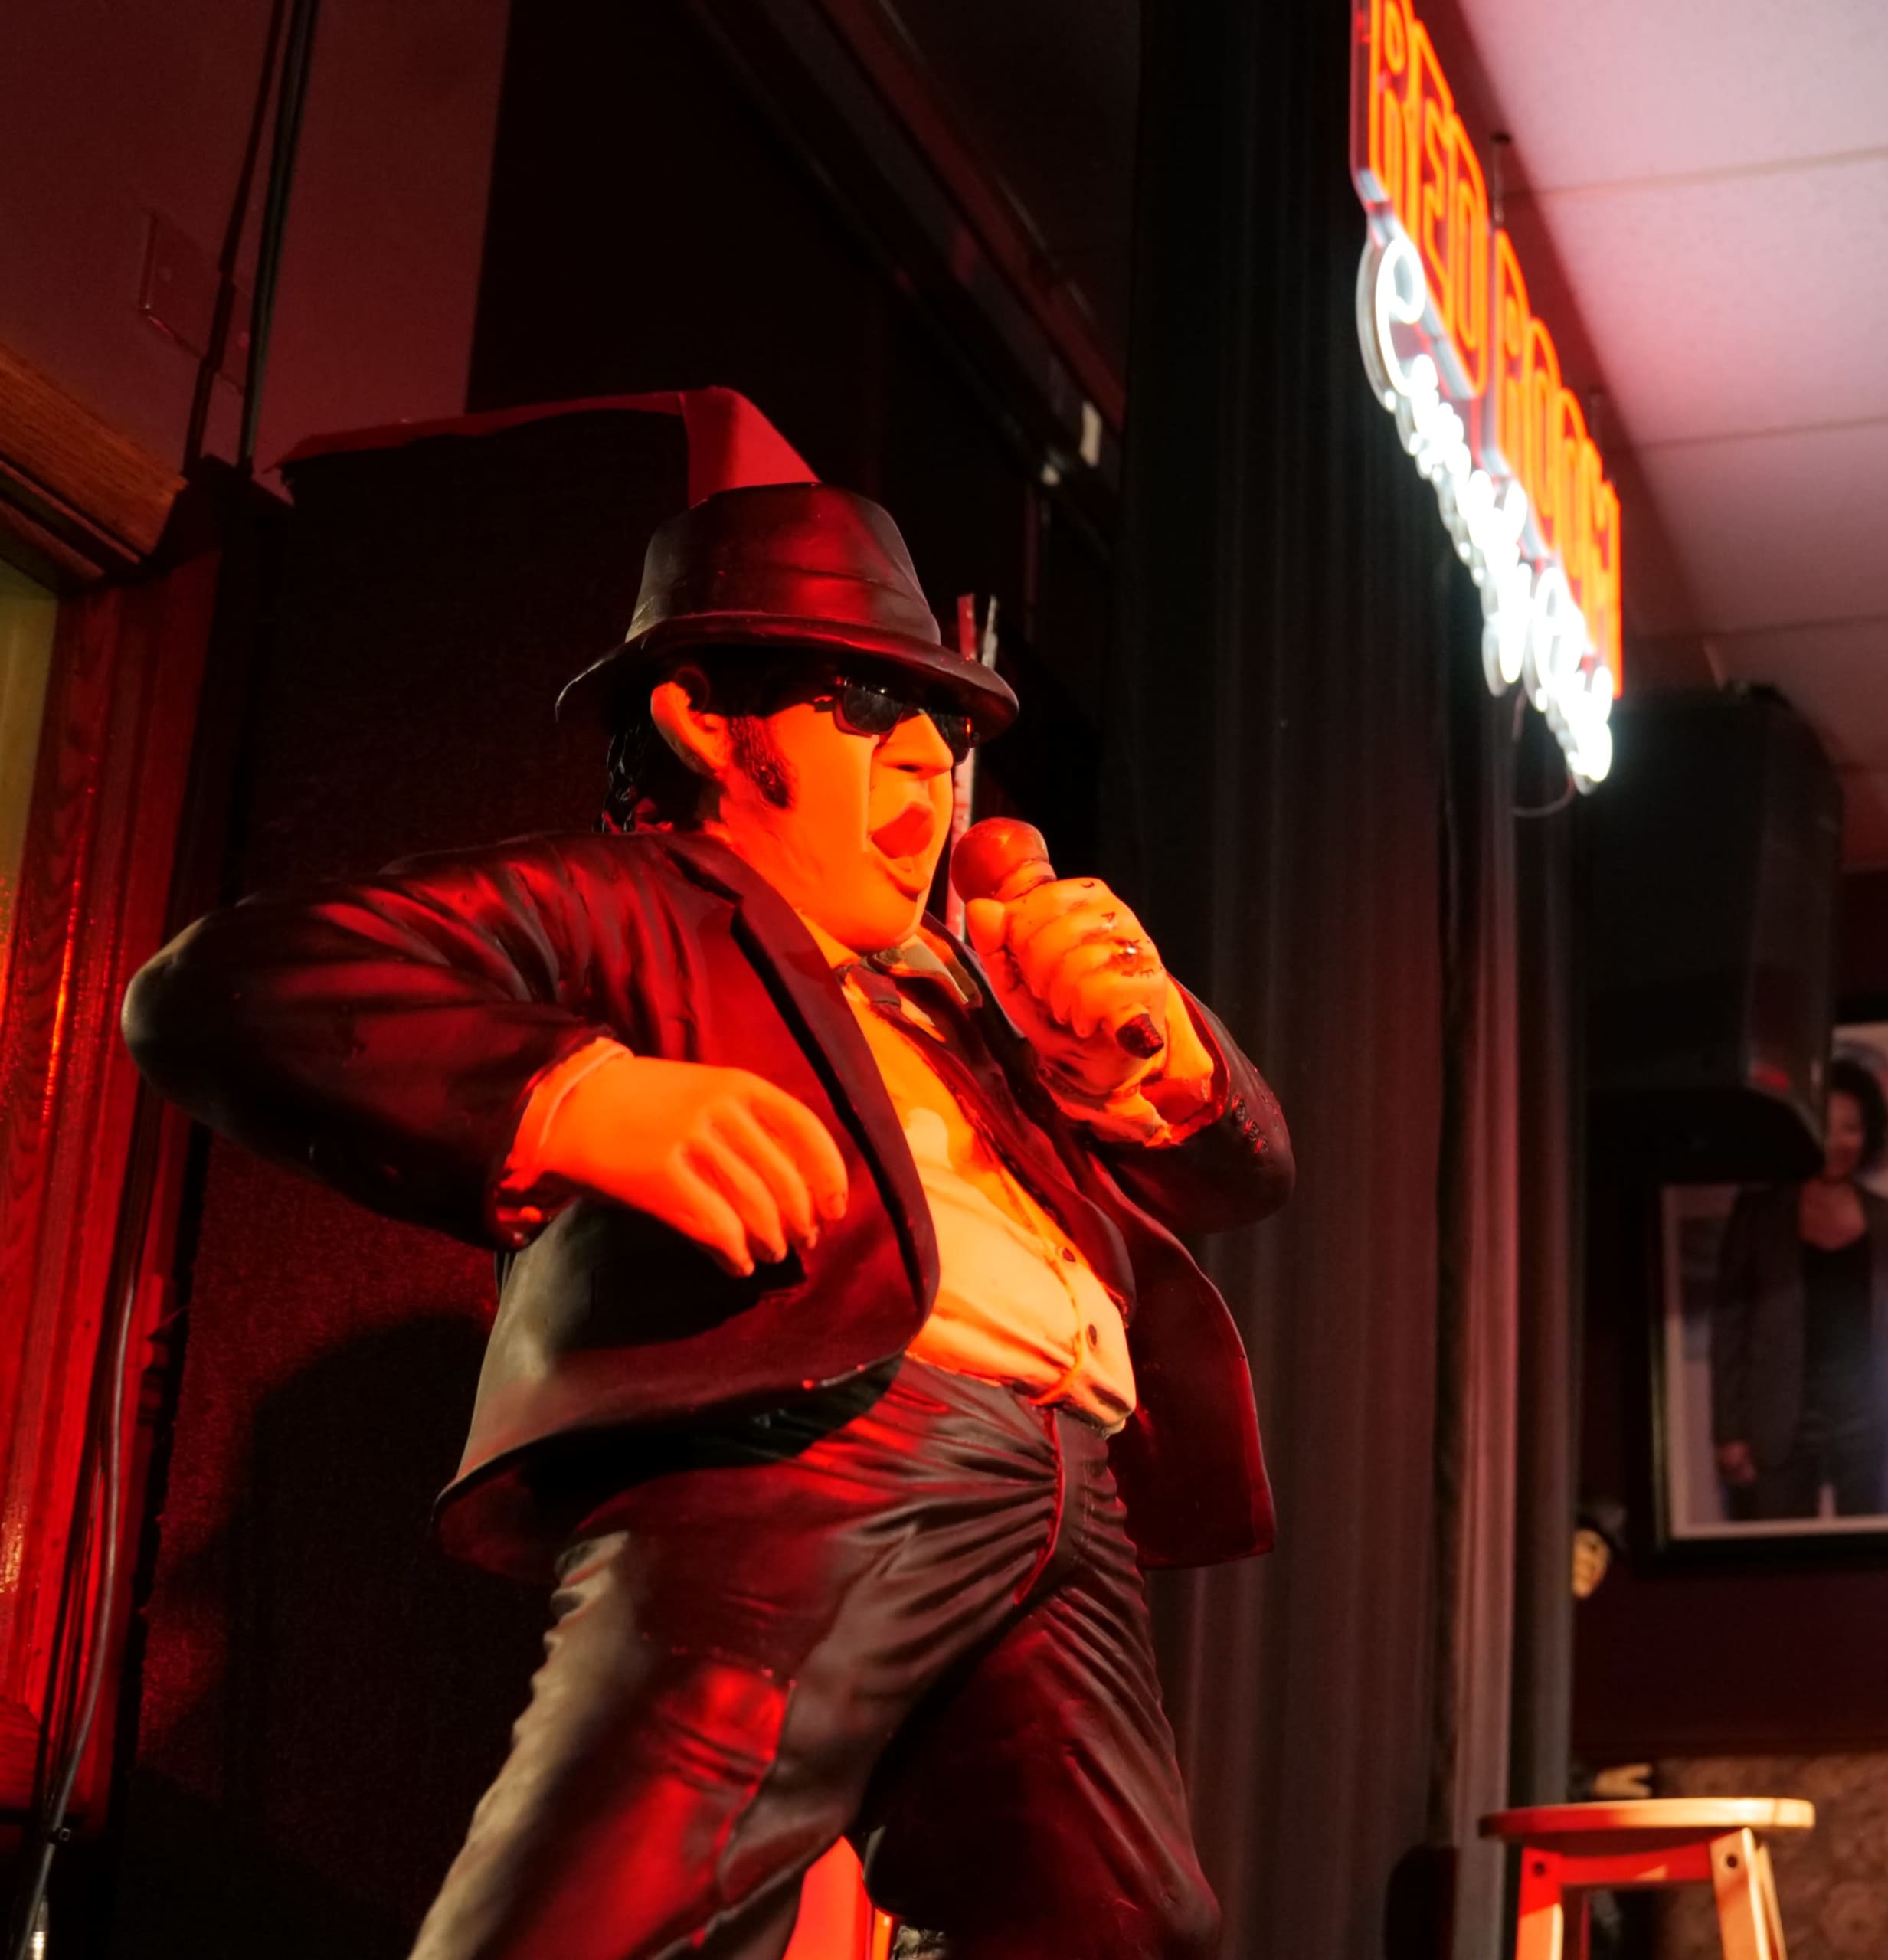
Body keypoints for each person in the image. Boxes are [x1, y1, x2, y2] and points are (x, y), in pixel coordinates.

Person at [122, 483, 1291, 1960]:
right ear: (700, 721)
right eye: (867, 700)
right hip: (821, 1432)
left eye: (946, 722)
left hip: (1064, 1480)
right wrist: (575, 1096)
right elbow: (229, 982)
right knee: (632, 1890)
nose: (930, 754)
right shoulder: (642, 904)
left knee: (1123, 1923)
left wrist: (1147, 1045)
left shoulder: (972, 985)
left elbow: (1247, 1167)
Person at [1709, 1057, 1888, 1520]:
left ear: (1870, 1134)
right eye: (1824, 1126)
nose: (1837, 1143)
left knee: (1866, 1567)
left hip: (1867, 1421)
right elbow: (1729, 1329)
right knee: (1780, 1568)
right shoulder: (1757, 1214)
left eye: (1852, 1128)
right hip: (1779, 1422)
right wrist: (1728, 1431)